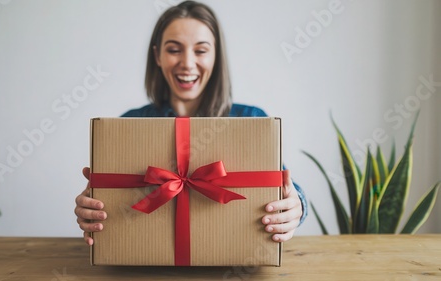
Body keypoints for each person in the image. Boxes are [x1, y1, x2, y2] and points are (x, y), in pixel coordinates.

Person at [75, 0, 307, 246]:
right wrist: (92, 207)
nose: (187, 63)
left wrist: (296, 206)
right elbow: (110, 200)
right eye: (174, 50)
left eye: (201, 50)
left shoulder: (251, 119)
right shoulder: (128, 125)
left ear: (216, 56)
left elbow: (284, 188)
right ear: (157, 55)